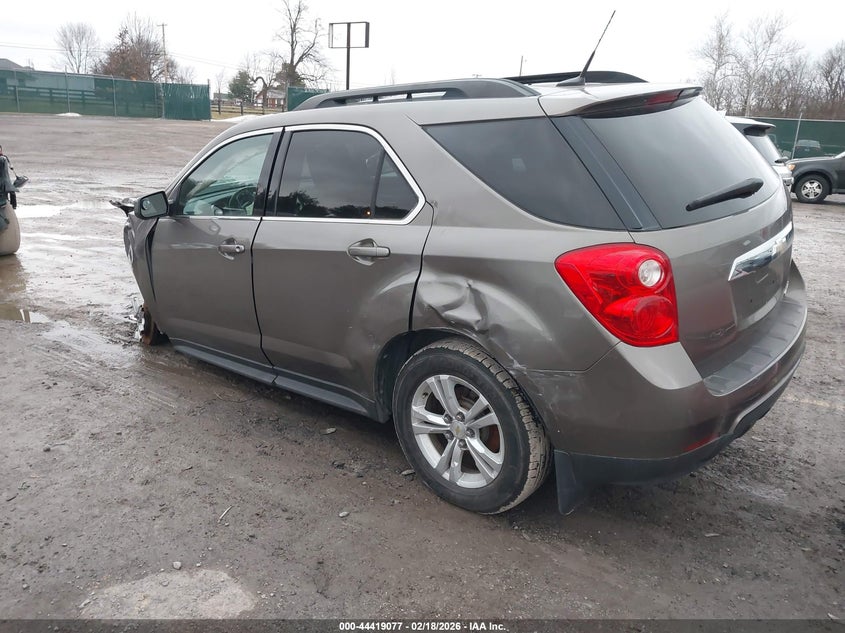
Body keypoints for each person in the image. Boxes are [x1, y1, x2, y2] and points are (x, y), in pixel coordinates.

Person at [0, 144, 17, 212]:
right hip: (1, 178)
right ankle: (6, 205)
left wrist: (11, 166)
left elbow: (10, 164)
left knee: (12, 192)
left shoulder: (4, 157)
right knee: (4, 192)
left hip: (6, 177)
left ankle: (14, 206)